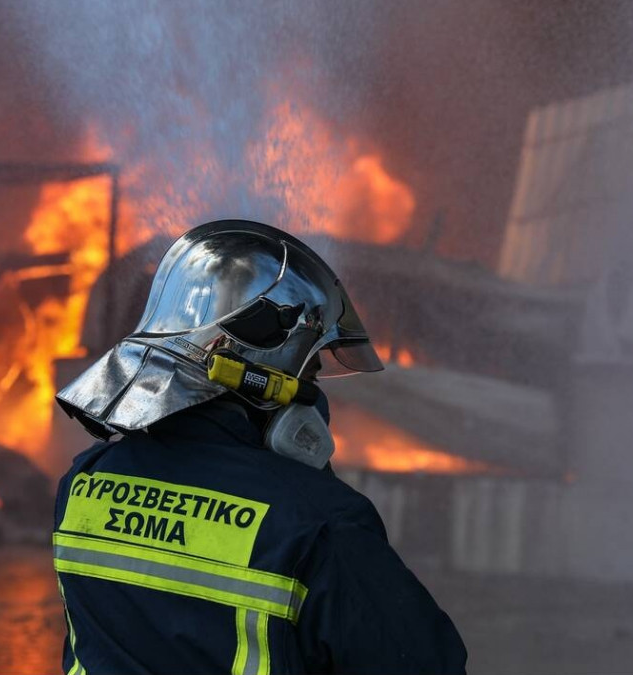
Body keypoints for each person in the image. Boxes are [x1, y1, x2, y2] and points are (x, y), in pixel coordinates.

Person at [52, 219, 466, 674]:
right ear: (262, 378)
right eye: (309, 375)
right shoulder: (321, 526)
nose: (313, 394)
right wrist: (308, 488)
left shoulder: (84, 486)